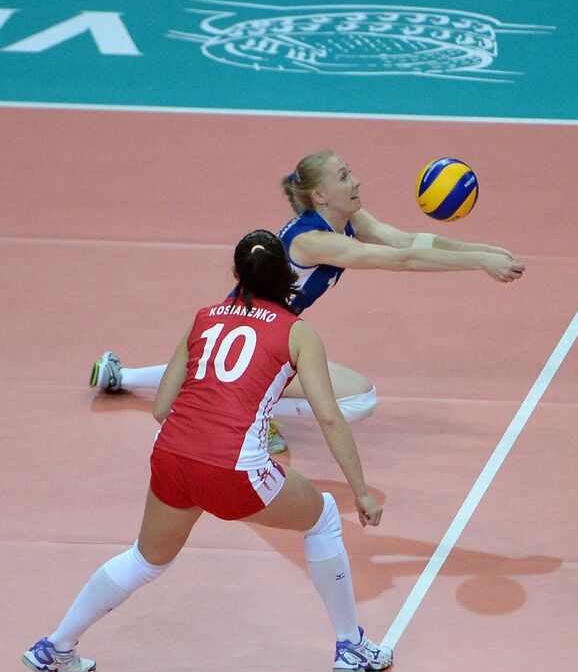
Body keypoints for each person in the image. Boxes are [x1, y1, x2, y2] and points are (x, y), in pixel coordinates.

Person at [21, 229, 393, 672]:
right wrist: (361, 492)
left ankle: (56, 645)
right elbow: (331, 417)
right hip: (237, 469)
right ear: (285, 277)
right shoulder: (298, 334)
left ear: (237, 273)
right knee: (324, 517)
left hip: (172, 454)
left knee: (145, 560)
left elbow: (161, 406)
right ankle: (350, 645)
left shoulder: (203, 318)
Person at [90, 149, 525, 452]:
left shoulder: (348, 217)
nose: (355, 181)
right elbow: (404, 261)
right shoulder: (315, 241)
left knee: (203, 369)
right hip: (256, 342)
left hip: (243, 333)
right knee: (360, 400)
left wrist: (482, 251)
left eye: (350, 172)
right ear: (319, 196)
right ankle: (254, 411)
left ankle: (120, 375)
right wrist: (476, 263)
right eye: (343, 177)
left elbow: (407, 239)